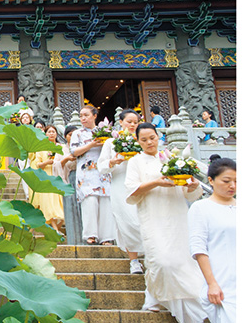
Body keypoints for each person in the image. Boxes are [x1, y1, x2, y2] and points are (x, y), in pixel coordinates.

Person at [125, 123, 207, 322]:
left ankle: (162, 298)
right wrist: (156, 182)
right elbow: (131, 191)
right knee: (160, 260)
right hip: (152, 215)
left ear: (158, 137)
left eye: (152, 138)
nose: (149, 142)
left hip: (177, 215)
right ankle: (156, 295)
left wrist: (193, 184)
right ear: (137, 141)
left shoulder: (171, 158)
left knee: (181, 260)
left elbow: (189, 193)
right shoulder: (135, 162)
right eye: (143, 140)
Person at [188, 155, 236, 323]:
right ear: (211, 180)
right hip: (222, 280)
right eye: (226, 181)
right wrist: (211, 283)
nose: (233, 186)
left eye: (236, 181)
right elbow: (198, 248)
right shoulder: (201, 208)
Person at [97, 109, 145, 273]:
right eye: (129, 121)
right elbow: (101, 167)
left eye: (135, 122)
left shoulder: (143, 141)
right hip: (120, 184)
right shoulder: (111, 142)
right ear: (121, 122)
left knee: (143, 220)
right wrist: (113, 161)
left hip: (141, 184)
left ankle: (151, 257)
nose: (132, 125)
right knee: (127, 221)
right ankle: (134, 260)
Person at [70, 105, 115, 245]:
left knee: (105, 202)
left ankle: (106, 237)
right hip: (86, 172)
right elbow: (74, 152)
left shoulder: (105, 132)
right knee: (90, 201)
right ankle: (91, 234)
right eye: (81, 116)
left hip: (102, 170)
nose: (83, 118)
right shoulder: (77, 133)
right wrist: (91, 144)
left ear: (95, 116)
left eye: (86, 115)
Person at [29, 125, 64, 233]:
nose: (52, 133)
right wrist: (46, 162)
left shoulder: (60, 147)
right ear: (46, 134)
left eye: (53, 131)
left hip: (58, 176)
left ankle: (56, 228)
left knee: (60, 203)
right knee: (49, 204)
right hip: (46, 177)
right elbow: (38, 164)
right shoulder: (42, 148)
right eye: (49, 132)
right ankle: (54, 229)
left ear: (56, 134)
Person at [53, 125, 81, 245]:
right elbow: (56, 165)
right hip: (69, 178)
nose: (72, 137)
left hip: (83, 180)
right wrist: (66, 159)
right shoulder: (62, 149)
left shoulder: (82, 147)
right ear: (65, 137)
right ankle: (74, 238)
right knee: (70, 208)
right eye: (70, 135)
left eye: (75, 134)